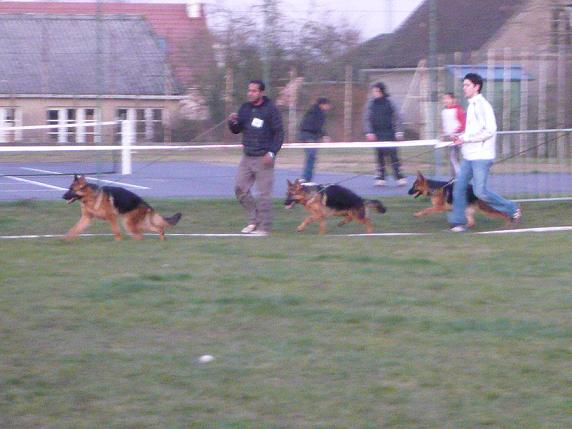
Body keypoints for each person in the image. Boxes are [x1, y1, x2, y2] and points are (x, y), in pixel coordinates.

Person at [448, 73, 521, 232]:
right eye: (464, 85)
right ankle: (458, 223)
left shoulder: (483, 105)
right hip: (469, 156)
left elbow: (489, 131)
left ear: (476, 87)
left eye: (467, 85)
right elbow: (473, 131)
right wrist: (460, 137)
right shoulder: (471, 105)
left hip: (482, 157)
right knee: (459, 188)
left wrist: (465, 138)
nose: (464, 88)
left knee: (480, 192)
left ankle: (512, 209)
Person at [228, 80, 284, 236]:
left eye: (253, 91)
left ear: (261, 93)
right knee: (240, 188)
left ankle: (264, 228)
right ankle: (254, 220)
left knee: (264, 195)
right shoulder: (245, 108)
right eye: (249, 90)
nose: (250, 93)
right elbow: (237, 129)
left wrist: (272, 153)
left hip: (264, 157)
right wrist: (232, 122)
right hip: (247, 156)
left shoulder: (270, 109)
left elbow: (279, 133)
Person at [363, 82, 407, 186]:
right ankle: (381, 178)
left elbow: (398, 117)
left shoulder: (390, 102)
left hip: (389, 132)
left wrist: (399, 131)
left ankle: (399, 177)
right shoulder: (370, 103)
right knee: (379, 155)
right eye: (373, 91)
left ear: (382, 91)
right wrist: (369, 132)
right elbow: (366, 119)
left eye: (377, 91)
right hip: (377, 133)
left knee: (393, 155)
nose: (375, 93)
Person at [298, 97, 332, 183]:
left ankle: (307, 178)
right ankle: (305, 178)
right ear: (322, 105)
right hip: (308, 137)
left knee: (311, 157)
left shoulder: (316, 112)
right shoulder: (317, 113)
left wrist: (323, 134)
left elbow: (317, 127)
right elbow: (314, 126)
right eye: (327, 105)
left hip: (309, 136)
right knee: (311, 156)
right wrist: (324, 135)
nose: (329, 107)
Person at [441, 92, 466, 176]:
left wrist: (455, 133)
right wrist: (444, 134)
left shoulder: (458, 110)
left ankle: (461, 176)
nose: (445, 100)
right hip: (449, 139)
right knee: (452, 158)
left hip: (459, 138)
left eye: (447, 98)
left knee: (458, 157)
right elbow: (445, 125)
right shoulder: (444, 111)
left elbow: (463, 124)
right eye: (444, 99)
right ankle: (456, 177)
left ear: (453, 99)